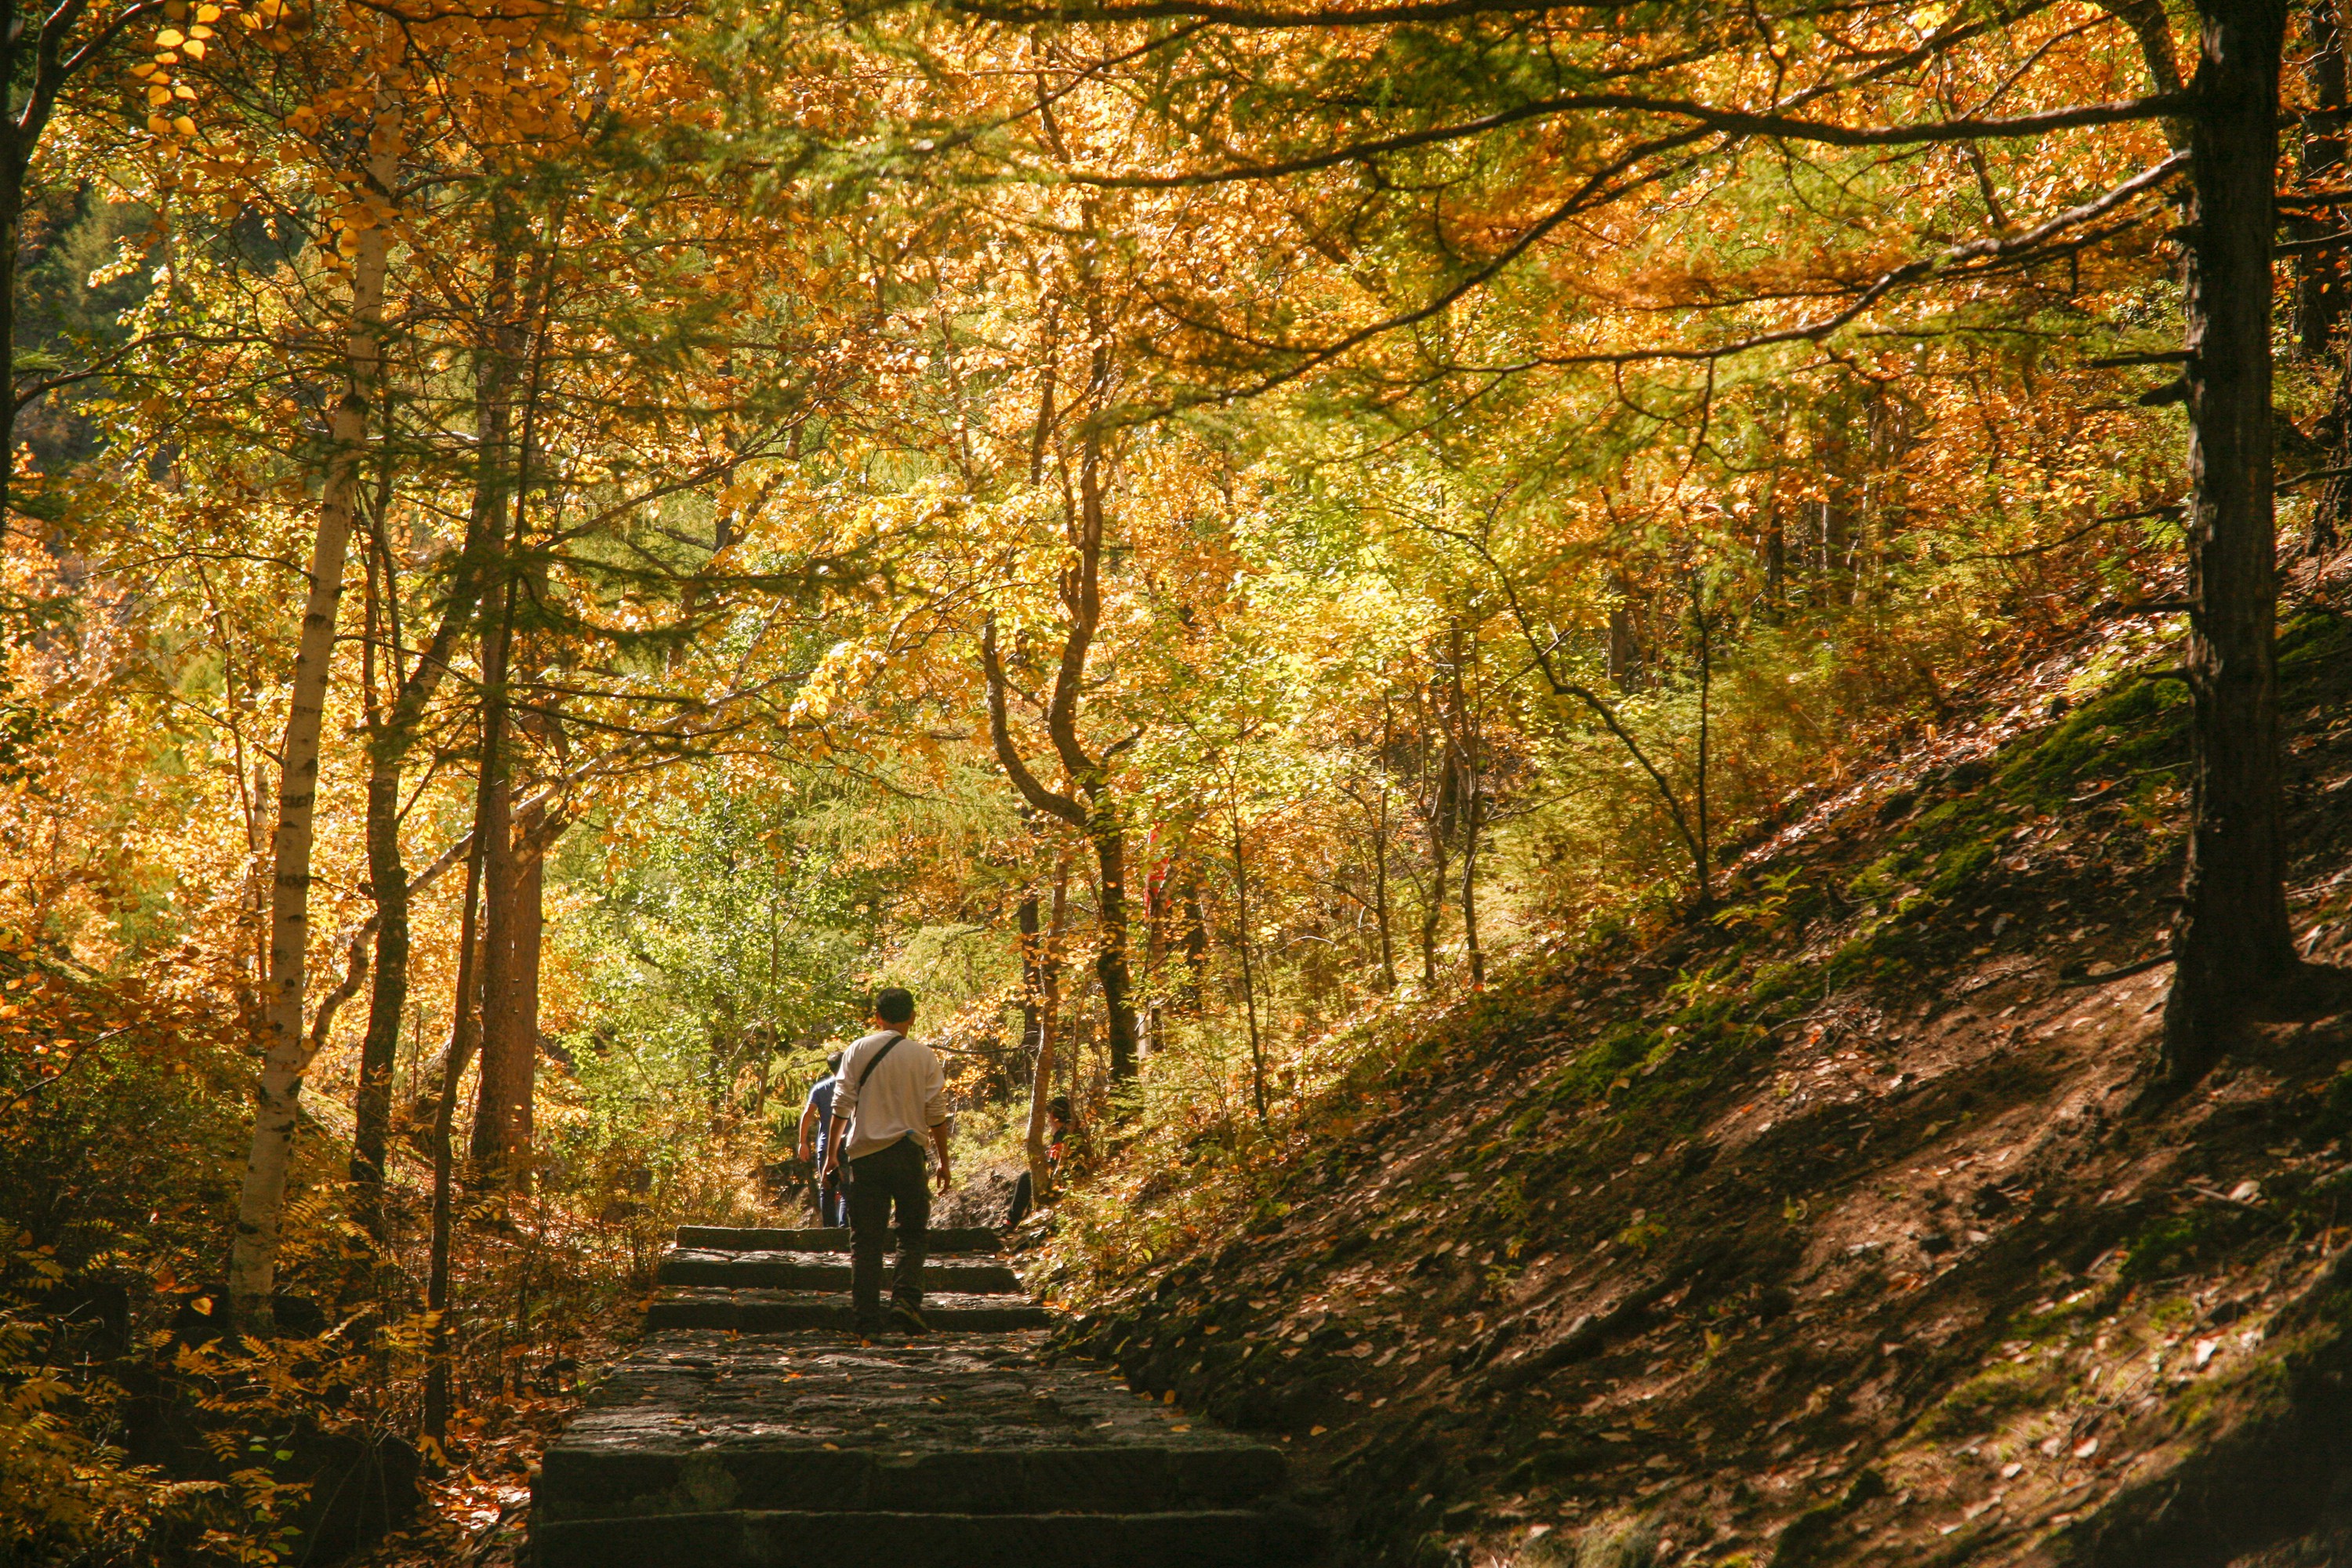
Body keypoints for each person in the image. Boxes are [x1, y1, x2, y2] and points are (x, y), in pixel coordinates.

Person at [823, 988, 953, 1336]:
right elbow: (936, 1113)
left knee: (865, 1240)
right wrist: (943, 1161)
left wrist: (832, 1155)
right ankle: (905, 1305)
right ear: (912, 1017)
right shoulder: (924, 1056)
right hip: (908, 1153)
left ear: (877, 1017)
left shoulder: (857, 1049)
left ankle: (865, 1318)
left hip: (865, 1156)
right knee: (912, 1234)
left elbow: (841, 1105)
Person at [797, 1051, 846, 1227]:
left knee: (827, 1187)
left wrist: (803, 1143)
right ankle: (844, 1229)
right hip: (848, 1144)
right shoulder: (854, 1087)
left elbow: (807, 1114)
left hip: (825, 1145)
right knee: (847, 1189)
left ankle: (829, 1232)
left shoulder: (820, 1089)